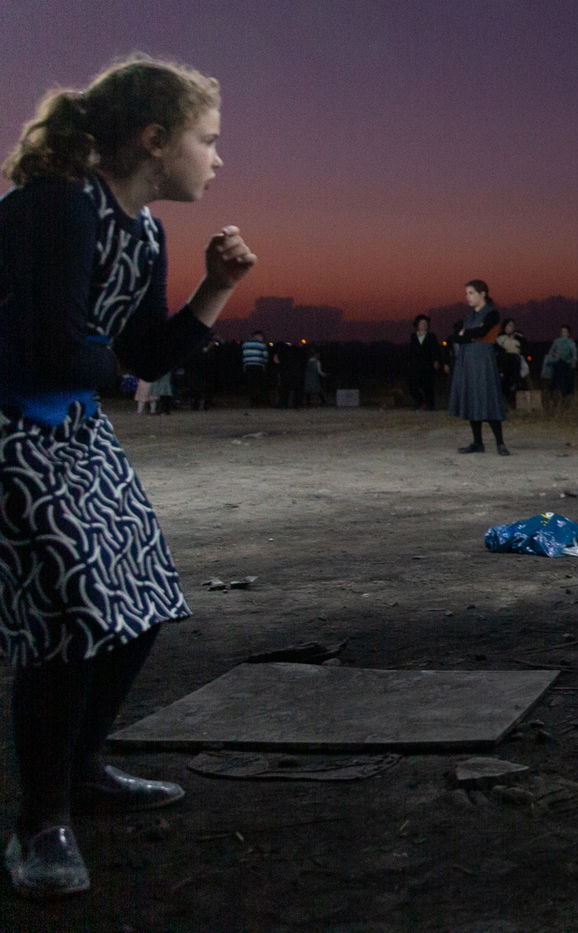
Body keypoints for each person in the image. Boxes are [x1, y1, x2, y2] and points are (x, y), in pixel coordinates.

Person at [0, 54, 256, 898]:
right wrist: (102, 364)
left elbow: (141, 356)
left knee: (141, 594)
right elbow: (51, 345)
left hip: (70, 422)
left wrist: (214, 291)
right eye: (206, 140)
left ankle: (84, 770)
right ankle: (39, 821)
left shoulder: (145, 230)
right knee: (75, 605)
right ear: (154, 141)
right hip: (10, 425)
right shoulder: (58, 207)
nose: (218, 159)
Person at [447, 280, 509, 454]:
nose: (468, 297)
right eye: (466, 293)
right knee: (472, 399)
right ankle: (477, 443)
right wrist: (466, 335)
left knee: (488, 397)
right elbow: (459, 338)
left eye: (471, 293)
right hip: (468, 360)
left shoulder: (492, 314)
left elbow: (481, 332)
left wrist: (466, 333)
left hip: (483, 360)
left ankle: (500, 443)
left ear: (483, 294)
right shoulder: (469, 317)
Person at [407, 314, 440, 410]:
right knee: (413, 385)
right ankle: (419, 402)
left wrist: (436, 361)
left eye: (425, 323)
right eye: (422, 323)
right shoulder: (413, 336)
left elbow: (435, 349)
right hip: (416, 364)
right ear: (417, 324)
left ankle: (430, 405)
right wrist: (409, 362)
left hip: (428, 364)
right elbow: (411, 350)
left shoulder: (431, 336)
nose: (424, 325)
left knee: (428, 385)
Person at [495, 317, 527, 406]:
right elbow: (497, 349)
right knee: (504, 384)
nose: (511, 327)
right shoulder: (500, 337)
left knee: (515, 383)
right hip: (503, 364)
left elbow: (524, 347)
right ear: (505, 326)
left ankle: (514, 403)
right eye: (509, 325)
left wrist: (520, 338)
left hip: (515, 363)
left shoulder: (517, 337)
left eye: (513, 325)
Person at [543, 324, 578, 399]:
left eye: (565, 332)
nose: (563, 333)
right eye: (562, 331)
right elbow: (551, 351)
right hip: (557, 363)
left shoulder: (570, 342)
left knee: (567, 382)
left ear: (568, 333)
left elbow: (574, 352)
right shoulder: (556, 341)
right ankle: (554, 395)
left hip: (567, 363)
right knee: (556, 381)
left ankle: (565, 395)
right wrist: (554, 355)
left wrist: (574, 361)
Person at [241, 329, 268, 407]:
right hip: (258, 366)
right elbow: (265, 356)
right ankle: (257, 401)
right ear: (259, 336)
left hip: (248, 366)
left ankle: (252, 401)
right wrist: (264, 364)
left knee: (251, 384)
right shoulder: (262, 344)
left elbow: (243, 355)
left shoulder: (245, 344)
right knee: (258, 384)